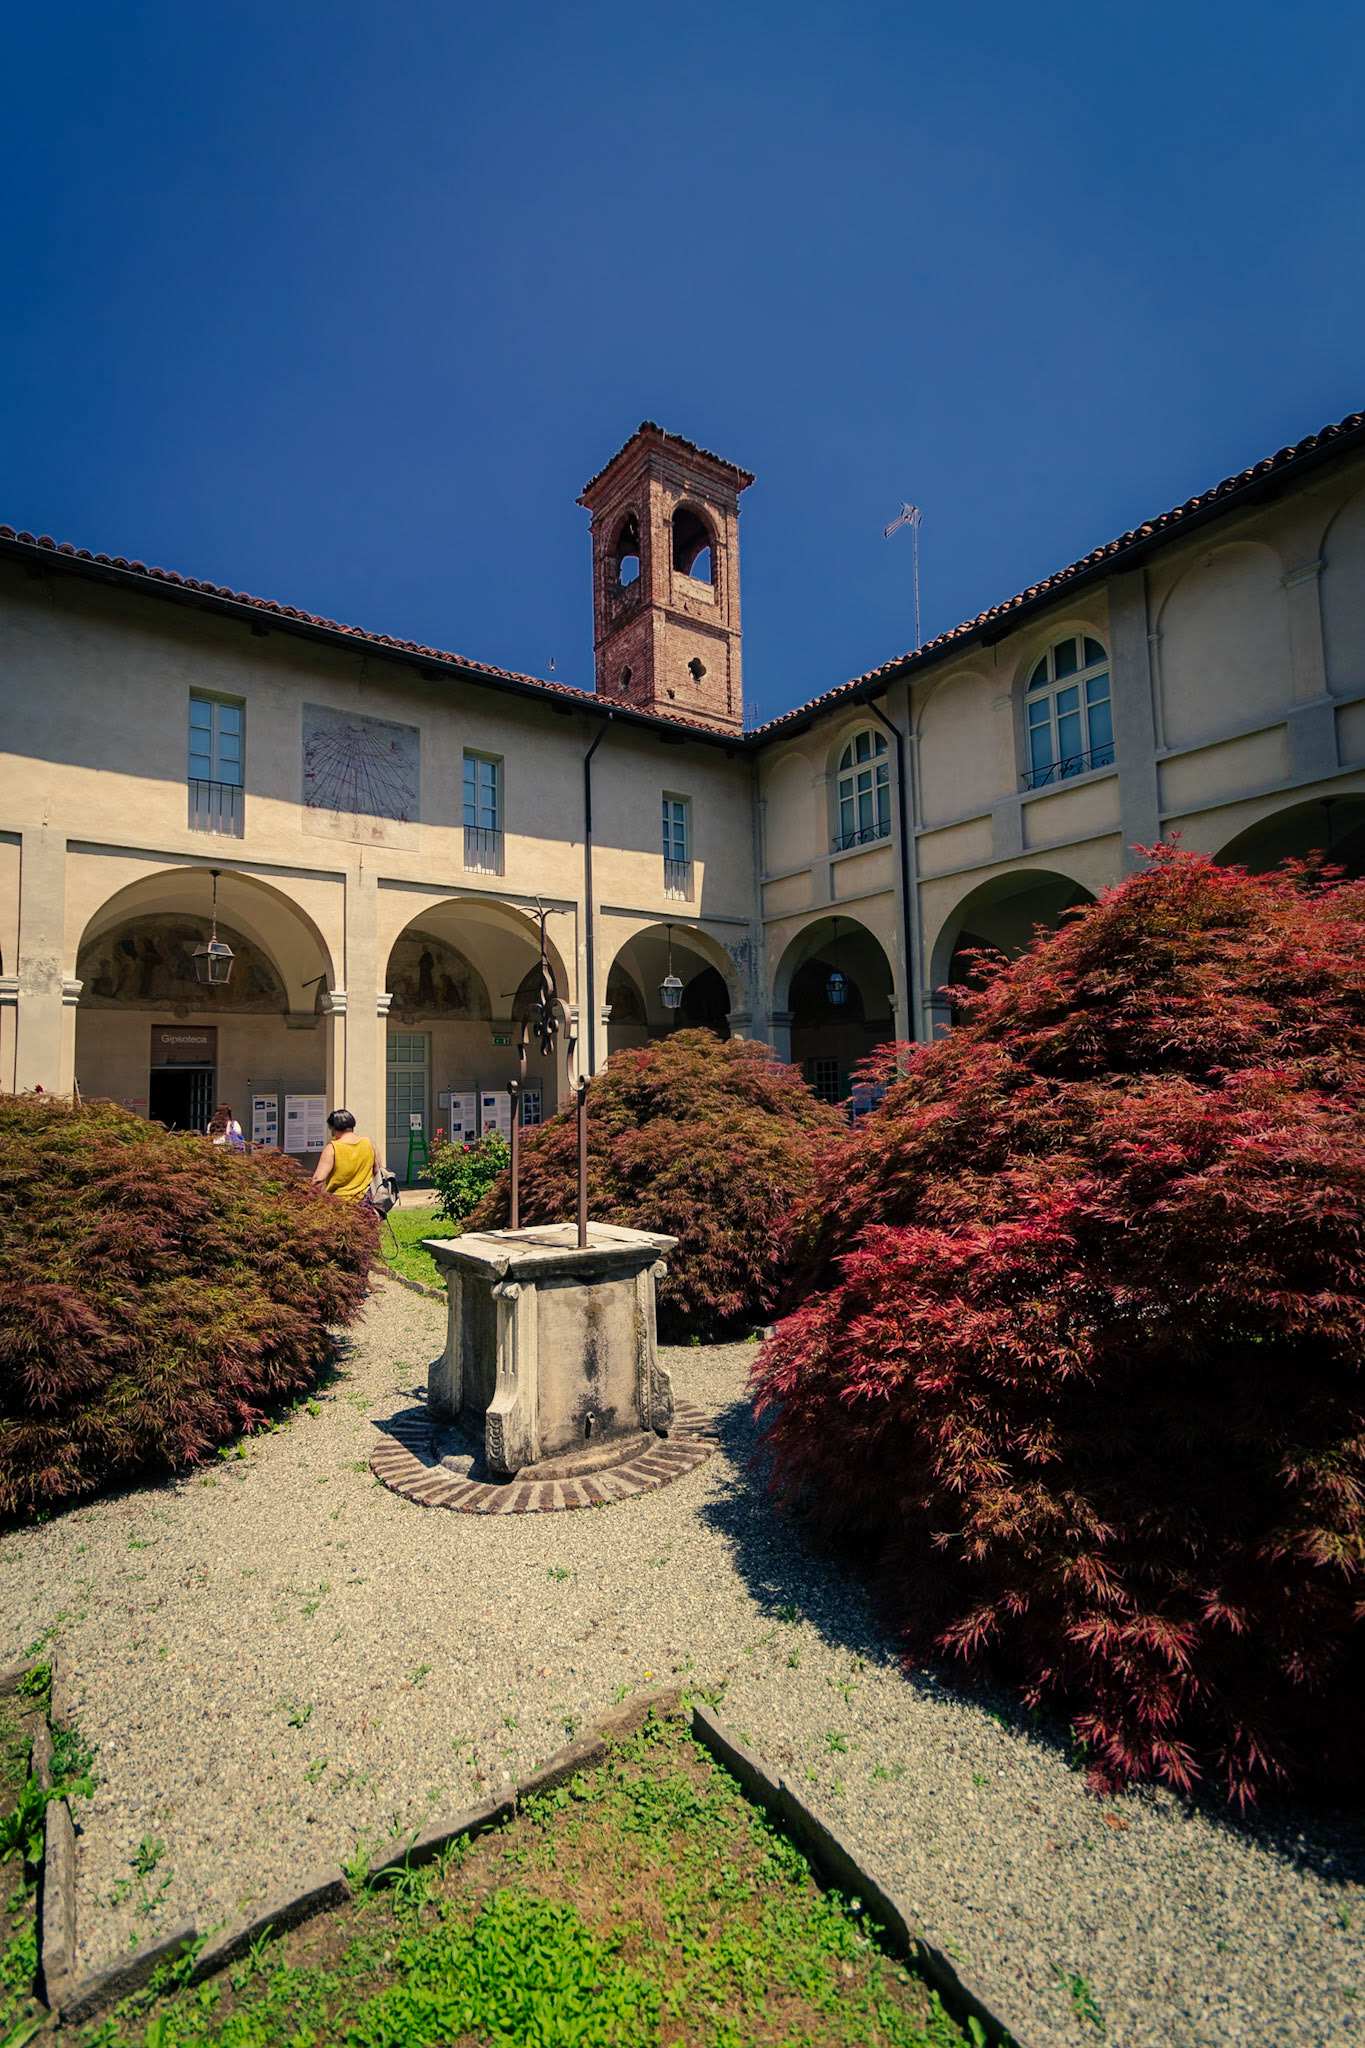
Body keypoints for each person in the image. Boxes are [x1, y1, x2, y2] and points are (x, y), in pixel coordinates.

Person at [311, 1108, 377, 1202]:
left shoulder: (332, 1147)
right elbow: (378, 1171)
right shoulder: (369, 1143)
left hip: (339, 1203)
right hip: (366, 1201)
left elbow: (318, 1180)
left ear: (333, 1128)